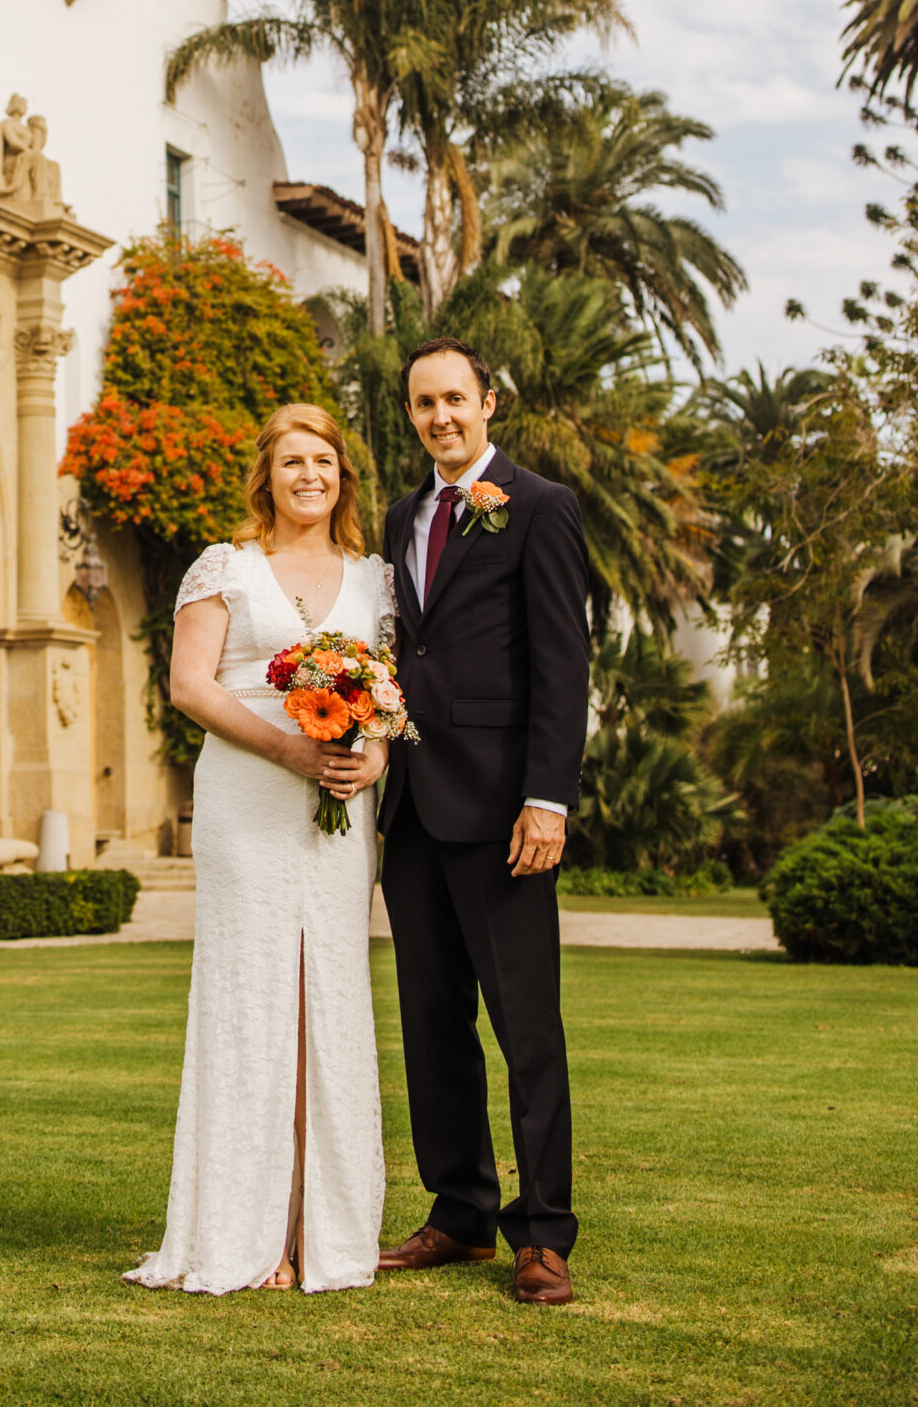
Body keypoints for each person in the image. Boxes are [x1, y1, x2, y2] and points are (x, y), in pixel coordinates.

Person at [125, 404, 395, 1294]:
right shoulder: (226, 567)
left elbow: (391, 696)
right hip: (248, 800)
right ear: (266, 477)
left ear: (341, 475)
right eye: (291, 463)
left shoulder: (374, 577)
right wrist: (285, 747)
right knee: (254, 995)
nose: (308, 476)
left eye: (322, 461)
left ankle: (321, 1231)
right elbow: (188, 685)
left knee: (330, 1000)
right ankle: (248, 1235)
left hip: (339, 807)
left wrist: (373, 756)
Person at [376, 338, 591, 1307]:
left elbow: (562, 664)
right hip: (414, 809)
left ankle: (542, 1234)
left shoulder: (540, 507)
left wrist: (547, 797)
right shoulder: (399, 515)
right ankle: (459, 1210)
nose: (441, 417)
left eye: (455, 398)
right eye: (424, 403)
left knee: (525, 1028)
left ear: (489, 402)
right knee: (431, 1024)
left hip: (506, 811)